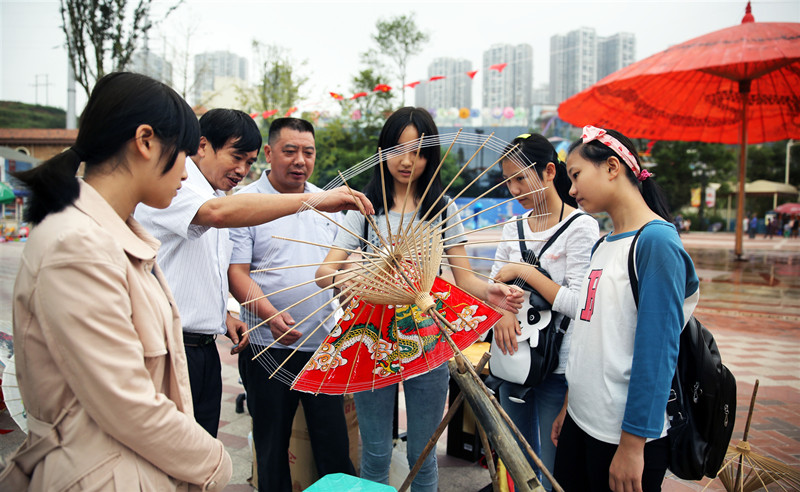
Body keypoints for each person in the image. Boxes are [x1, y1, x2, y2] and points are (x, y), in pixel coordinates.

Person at [4, 72, 231, 490]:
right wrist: (216, 462)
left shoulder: (115, 236)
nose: (187, 170)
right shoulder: (78, 245)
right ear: (145, 141)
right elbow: (128, 404)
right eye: (183, 152)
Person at [315, 107, 523, 492]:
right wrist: (349, 279)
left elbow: (464, 279)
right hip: (369, 335)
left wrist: (491, 291)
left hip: (427, 334)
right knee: (375, 454)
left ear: (431, 156)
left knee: (423, 455)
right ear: (383, 150)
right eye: (398, 148)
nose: (408, 161)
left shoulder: (443, 209)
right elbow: (324, 272)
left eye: (419, 150)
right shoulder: (364, 210)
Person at [135, 109, 373, 437]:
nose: (242, 170)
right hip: (182, 345)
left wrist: (222, 315)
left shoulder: (216, 194)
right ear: (202, 146)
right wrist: (313, 201)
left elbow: (208, 269)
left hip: (234, 343)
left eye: (247, 162)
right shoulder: (185, 191)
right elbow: (227, 244)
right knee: (194, 447)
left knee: (203, 445)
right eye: (237, 157)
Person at [551, 126, 699, 492]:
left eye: (576, 174)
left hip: (620, 437)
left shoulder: (657, 243)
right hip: (582, 421)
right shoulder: (605, 244)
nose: (571, 189)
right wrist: (570, 405)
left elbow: (657, 352)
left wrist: (633, 446)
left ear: (612, 167)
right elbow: (590, 334)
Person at [228, 118, 356, 492]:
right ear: (268, 153)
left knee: (334, 449)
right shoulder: (245, 204)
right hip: (267, 349)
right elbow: (237, 274)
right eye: (290, 151)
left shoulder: (328, 204)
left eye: (308, 152)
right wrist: (269, 315)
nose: (300, 160)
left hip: (322, 348)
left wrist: (356, 294)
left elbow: (340, 272)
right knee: (271, 450)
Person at [490, 133, 599, 491]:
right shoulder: (512, 227)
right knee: (517, 458)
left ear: (549, 171)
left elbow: (578, 304)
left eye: (521, 178)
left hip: (558, 366)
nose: (515, 189)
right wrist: (504, 313)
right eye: (508, 181)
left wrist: (525, 272)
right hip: (512, 358)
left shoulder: (581, 226)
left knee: (552, 468)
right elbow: (493, 290)